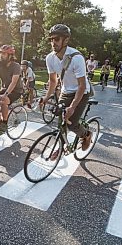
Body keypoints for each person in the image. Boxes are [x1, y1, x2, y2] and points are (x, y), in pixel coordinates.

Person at [41, 24, 92, 155]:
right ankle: (63, 145)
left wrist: (73, 106)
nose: (53, 42)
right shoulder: (50, 58)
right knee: (60, 116)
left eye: (57, 39)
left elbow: (82, 85)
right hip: (66, 91)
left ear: (66, 40)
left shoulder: (76, 58)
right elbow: (53, 81)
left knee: (71, 123)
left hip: (80, 92)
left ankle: (86, 134)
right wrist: (46, 98)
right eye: (51, 39)